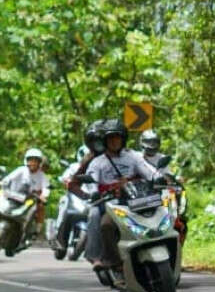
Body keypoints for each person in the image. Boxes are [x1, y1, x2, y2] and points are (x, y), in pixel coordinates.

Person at [68, 118, 160, 276]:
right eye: (110, 138)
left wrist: (158, 177)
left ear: (123, 139)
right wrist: (92, 193)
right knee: (103, 222)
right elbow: (90, 181)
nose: (114, 141)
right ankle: (110, 261)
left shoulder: (133, 156)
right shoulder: (96, 161)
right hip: (111, 203)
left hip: (135, 198)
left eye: (117, 137)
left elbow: (148, 170)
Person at [0, 147, 51, 240]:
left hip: (29, 199)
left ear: (39, 163)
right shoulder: (21, 170)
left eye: (35, 161)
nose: (32, 163)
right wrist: (3, 182)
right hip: (13, 195)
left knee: (38, 208)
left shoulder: (42, 176)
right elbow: (9, 178)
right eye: (30, 160)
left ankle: (34, 229)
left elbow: (45, 188)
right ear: (26, 161)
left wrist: (44, 196)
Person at [51, 144, 89, 257]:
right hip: (74, 198)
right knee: (65, 207)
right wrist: (67, 181)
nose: (87, 158)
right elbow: (65, 178)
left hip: (89, 200)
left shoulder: (97, 167)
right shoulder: (74, 167)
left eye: (90, 155)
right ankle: (59, 236)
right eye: (86, 155)